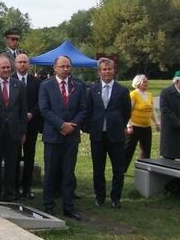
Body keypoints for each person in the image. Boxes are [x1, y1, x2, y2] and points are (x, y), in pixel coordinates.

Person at [38, 55, 87, 219]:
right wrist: (61, 125)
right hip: (53, 136)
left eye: (68, 66)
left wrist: (71, 125)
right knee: (51, 172)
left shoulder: (78, 86)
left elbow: (83, 109)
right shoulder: (46, 85)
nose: (65, 69)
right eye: (62, 66)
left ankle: (68, 207)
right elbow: (44, 109)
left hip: (71, 137)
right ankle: (48, 205)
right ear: (55, 68)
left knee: (68, 173)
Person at [85, 58, 131, 208]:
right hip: (98, 135)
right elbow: (88, 111)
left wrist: (119, 125)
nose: (107, 72)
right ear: (99, 72)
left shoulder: (122, 90)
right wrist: (91, 127)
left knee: (118, 169)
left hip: (116, 135)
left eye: (109, 69)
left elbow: (126, 112)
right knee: (98, 168)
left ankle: (115, 198)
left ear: (114, 70)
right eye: (104, 69)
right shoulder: (92, 90)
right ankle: (100, 197)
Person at [0, 55, 27, 202]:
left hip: (14, 131)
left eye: (8, 67)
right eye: (3, 67)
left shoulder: (19, 85)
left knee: (12, 165)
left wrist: (23, 132)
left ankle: (10, 193)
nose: (6, 70)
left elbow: (23, 110)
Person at [14, 53, 41, 199]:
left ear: (29, 64)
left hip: (31, 123)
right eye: (20, 62)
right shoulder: (10, 79)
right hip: (15, 124)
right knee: (15, 156)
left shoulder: (36, 82)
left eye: (25, 62)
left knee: (30, 156)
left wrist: (31, 113)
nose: (22, 65)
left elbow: (40, 101)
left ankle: (26, 187)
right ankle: (14, 186)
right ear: (15, 64)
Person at [124, 74, 160, 170]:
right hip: (134, 127)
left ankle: (143, 170)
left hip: (146, 127)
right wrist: (129, 125)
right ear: (138, 83)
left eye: (147, 81)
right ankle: (121, 170)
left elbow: (152, 110)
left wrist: (157, 123)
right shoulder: (133, 94)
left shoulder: (149, 95)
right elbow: (128, 111)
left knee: (146, 150)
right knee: (128, 149)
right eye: (144, 81)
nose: (146, 83)